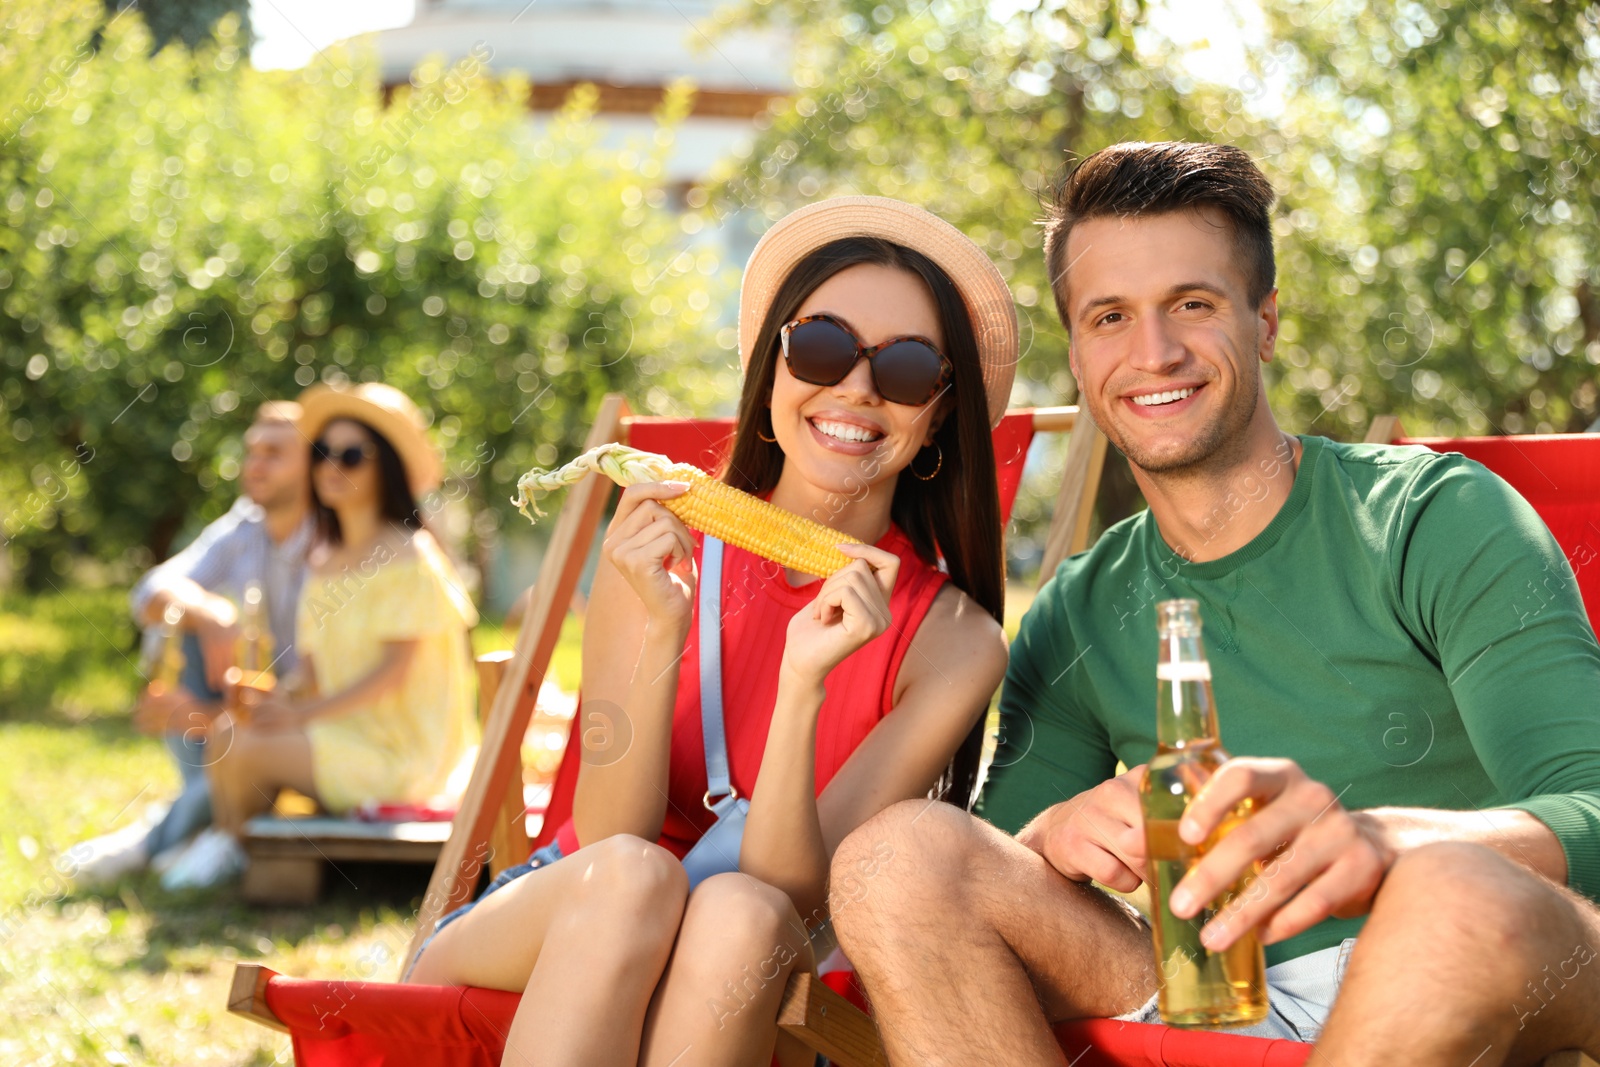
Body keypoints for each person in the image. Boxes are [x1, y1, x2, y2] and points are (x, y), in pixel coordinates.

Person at [828, 141, 1600, 1066]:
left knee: (1451, 896)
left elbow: (1589, 806)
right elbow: (980, 872)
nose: (1153, 353)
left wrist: (1388, 844)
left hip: (1486, 962)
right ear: (1077, 350)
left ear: (1265, 320)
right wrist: (1053, 833)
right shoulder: (1080, 608)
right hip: (1214, 989)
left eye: (1192, 304)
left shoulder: (1431, 517)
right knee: (896, 856)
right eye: (1111, 316)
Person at [405, 196, 1013, 1067]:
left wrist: (804, 687)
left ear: (938, 417)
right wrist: (662, 627)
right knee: (634, 877)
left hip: (744, 949)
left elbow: (793, 895)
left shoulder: (954, 642)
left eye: (909, 369)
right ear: (775, 370)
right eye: (822, 347)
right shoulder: (664, 536)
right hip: (567, 912)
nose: (856, 389)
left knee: (740, 912)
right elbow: (613, 828)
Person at [161, 382, 481, 890]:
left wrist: (300, 714)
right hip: (340, 734)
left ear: (387, 468)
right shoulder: (323, 559)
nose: (332, 466)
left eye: (352, 455)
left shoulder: (411, 556)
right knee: (228, 730)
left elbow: (391, 675)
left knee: (249, 748)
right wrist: (276, 698)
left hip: (402, 758)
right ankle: (226, 842)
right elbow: (309, 670)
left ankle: (229, 846)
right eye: (321, 453)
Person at [68, 400, 313, 886]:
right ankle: (201, 820)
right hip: (251, 708)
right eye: (252, 452)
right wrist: (210, 614)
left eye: (274, 453)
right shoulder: (246, 525)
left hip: (312, 712)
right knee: (178, 622)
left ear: (314, 465)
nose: (255, 465)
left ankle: (155, 839)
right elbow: (152, 591)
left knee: (232, 725)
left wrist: (205, 717)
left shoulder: (338, 539)